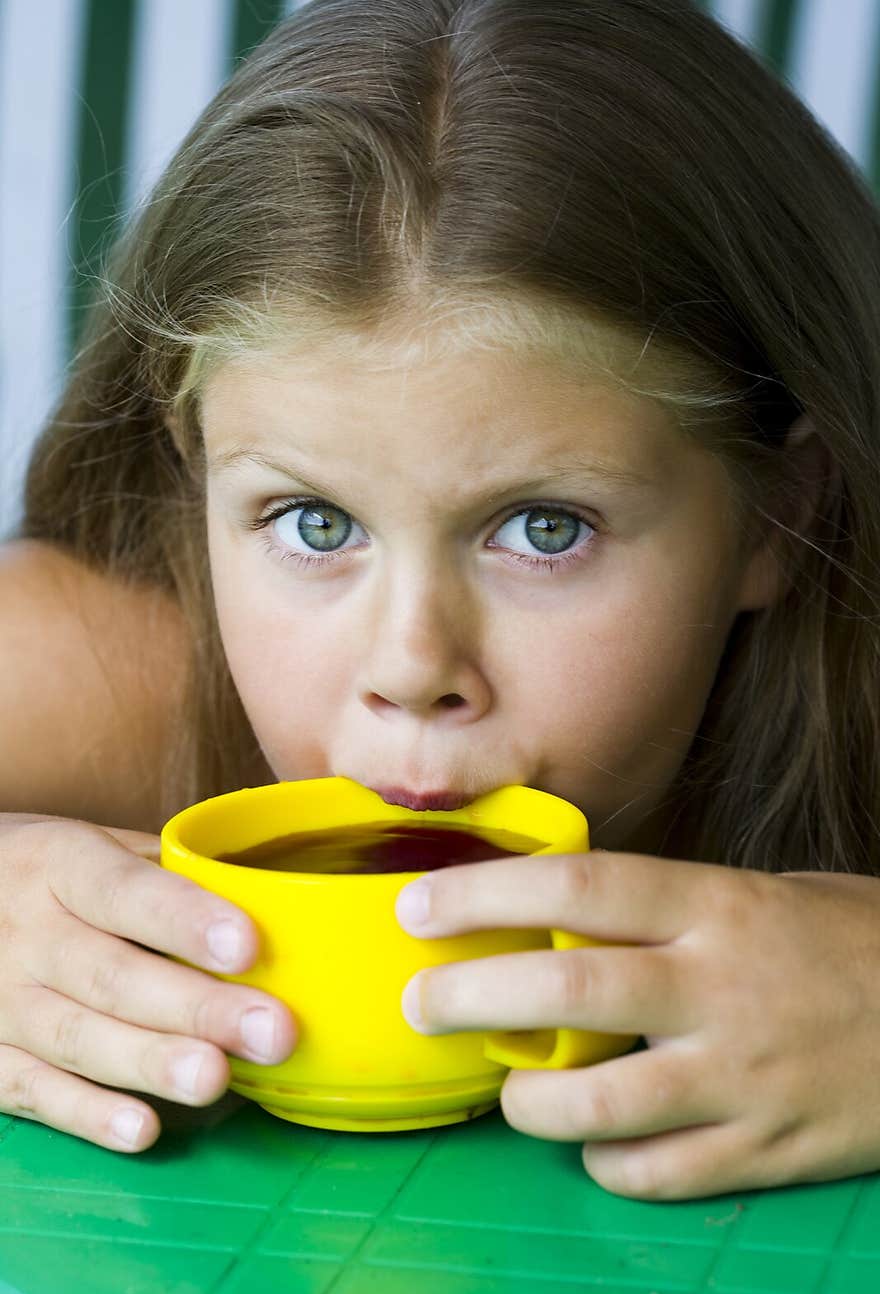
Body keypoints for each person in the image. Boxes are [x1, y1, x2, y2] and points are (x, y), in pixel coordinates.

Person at [2, 0, 878, 1202]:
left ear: (775, 515)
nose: (412, 665)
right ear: (197, 468)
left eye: (544, 529)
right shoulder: (121, 669)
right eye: (313, 524)